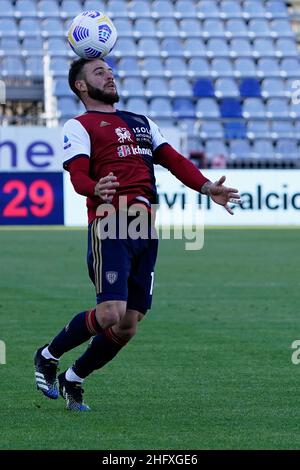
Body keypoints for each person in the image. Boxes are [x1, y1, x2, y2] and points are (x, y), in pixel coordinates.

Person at [34, 58, 241, 411]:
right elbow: (78, 176)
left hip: (145, 229)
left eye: (110, 71)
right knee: (110, 312)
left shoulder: (141, 123)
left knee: (129, 324)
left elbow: (174, 160)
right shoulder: (80, 125)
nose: (109, 75)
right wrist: (95, 188)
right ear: (81, 86)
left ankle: (74, 378)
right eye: (100, 73)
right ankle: (48, 355)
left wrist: (207, 186)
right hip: (110, 223)